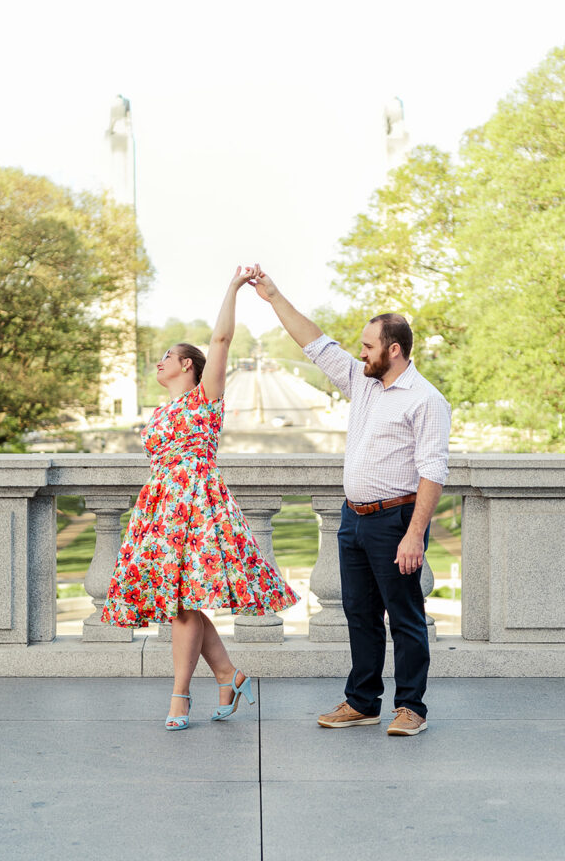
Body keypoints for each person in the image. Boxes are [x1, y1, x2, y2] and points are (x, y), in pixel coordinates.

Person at [250, 267, 450, 735]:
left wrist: (414, 535)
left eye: (368, 346)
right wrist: (273, 295)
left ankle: (411, 709)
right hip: (352, 519)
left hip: (395, 521)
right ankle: (362, 702)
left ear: (393, 350)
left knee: (405, 618)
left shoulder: (425, 399)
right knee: (359, 615)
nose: (359, 352)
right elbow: (314, 343)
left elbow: (433, 471)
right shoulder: (362, 381)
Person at [101, 266, 299, 730]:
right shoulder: (161, 410)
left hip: (199, 506)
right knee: (181, 601)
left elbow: (223, 341)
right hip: (163, 510)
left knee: (182, 604)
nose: (159, 362)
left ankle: (180, 697)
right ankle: (229, 676)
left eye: (167, 356)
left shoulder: (205, 397)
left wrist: (232, 288)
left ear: (187, 364)